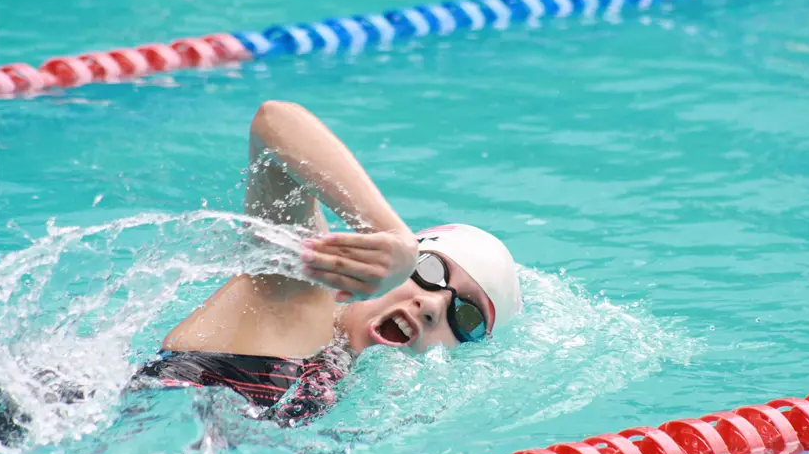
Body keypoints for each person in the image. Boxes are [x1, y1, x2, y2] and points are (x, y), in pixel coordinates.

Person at [131, 101, 522, 426]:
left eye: (466, 317)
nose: (434, 305)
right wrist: (392, 235)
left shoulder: (342, 385)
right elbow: (275, 122)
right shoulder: (299, 293)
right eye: (430, 271)